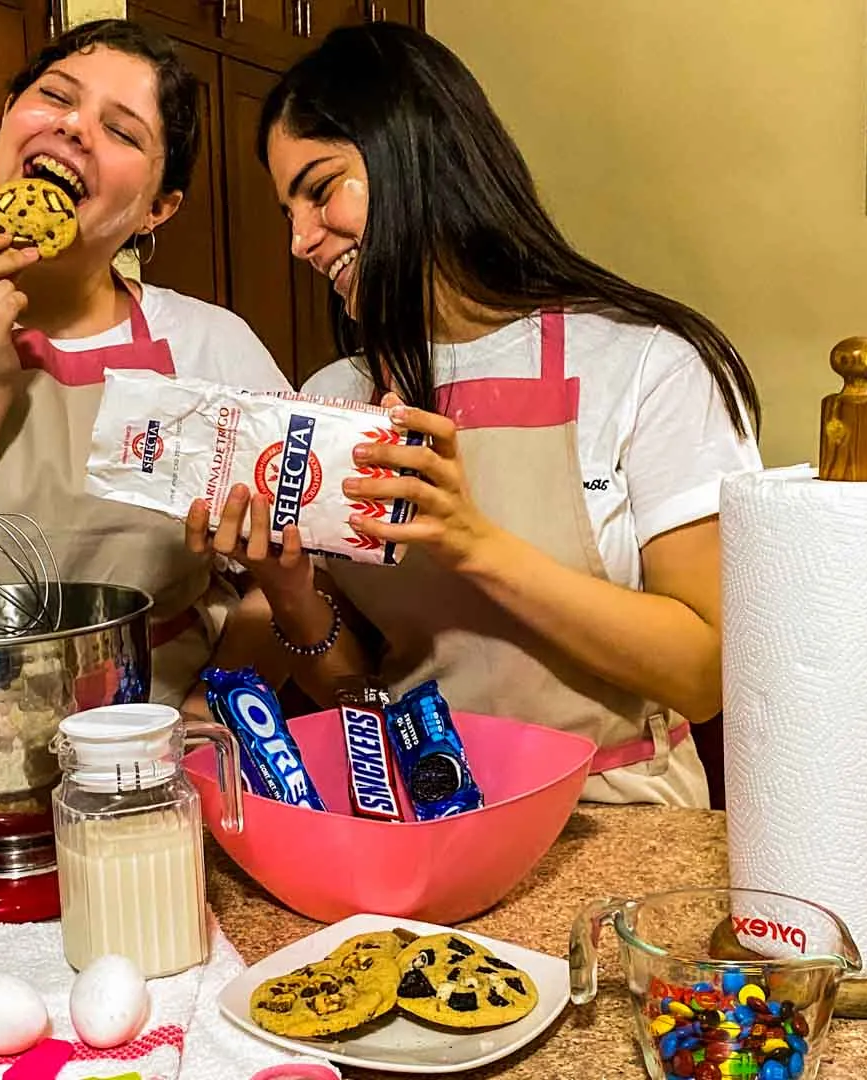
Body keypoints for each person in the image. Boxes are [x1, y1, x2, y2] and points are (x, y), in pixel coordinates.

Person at [189, 23, 764, 806]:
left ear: (415, 153)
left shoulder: (646, 363)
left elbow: (701, 677)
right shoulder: (337, 394)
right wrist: (289, 591)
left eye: (321, 190)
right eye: (288, 210)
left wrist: (474, 545)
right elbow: (358, 697)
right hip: (425, 816)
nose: (299, 240)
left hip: (617, 814)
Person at [0, 20, 290, 706]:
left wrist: (212, 708)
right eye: (56, 96)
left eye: (123, 131)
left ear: (158, 209)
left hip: (156, 736)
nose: (75, 127)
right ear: (7, 118)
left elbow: (287, 583)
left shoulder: (210, 347)